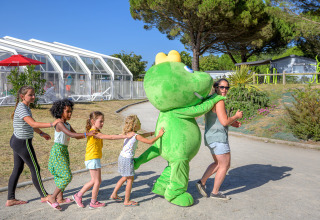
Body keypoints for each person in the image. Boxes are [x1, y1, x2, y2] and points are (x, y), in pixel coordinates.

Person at [6, 86, 62, 207]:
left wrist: (41, 133)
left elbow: (31, 125)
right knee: (35, 168)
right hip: (22, 143)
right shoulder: (22, 108)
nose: (33, 97)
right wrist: (52, 123)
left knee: (18, 169)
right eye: (30, 95)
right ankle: (44, 195)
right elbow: (32, 123)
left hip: (16, 141)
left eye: (33, 94)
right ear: (22, 96)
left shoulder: (25, 107)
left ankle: (10, 199)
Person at [73, 111, 134, 209]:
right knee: (96, 181)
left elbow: (111, 135)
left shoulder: (96, 131)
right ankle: (92, 202)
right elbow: (110, 137)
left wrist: (124, 134)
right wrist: (125, 136)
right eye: (100, 121)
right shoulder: (94, 132)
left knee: (96, 181)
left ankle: (78, 195)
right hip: (92, 158)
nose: (102, 123)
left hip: (94, 158)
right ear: (93, 121)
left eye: (103, 121)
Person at [196, 78, 243, 200]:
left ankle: (202, 182)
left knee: (218, 163)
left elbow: (219, 119)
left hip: (211, 136)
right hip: (218, 137)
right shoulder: (220, 101)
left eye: (227, 88)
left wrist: (232, 123)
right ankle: (215, 193)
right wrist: (236, 116)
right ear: (216, 87)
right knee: (225, 165)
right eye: (222, 87)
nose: (225, 90)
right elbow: (224, 121)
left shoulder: (212, 99)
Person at [47, 99, 95, 211]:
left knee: (62, 175)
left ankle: (60, 198)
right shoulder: (59, 123)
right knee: (66, 176)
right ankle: (52, 198)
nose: (70, 114)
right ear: (60, 111)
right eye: (67, 111)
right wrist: (87, 133)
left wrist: (89, 134)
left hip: (64, 151)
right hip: (58, 152)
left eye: (70, 111)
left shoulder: (67, 124)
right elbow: (70, 134)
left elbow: (77, 136)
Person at [110, 115, 165, 206]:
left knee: (124, 177)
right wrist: (159, 135)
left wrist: (152, 133)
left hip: (122, 157)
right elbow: (149, 142)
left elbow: (143, 135)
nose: (141, 124)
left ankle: (113, 194)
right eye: (139, 123)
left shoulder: (129, 133)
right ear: (135, 125)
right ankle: (127, 201)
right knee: (130, 180)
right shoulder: (135, 135)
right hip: (127, 160)